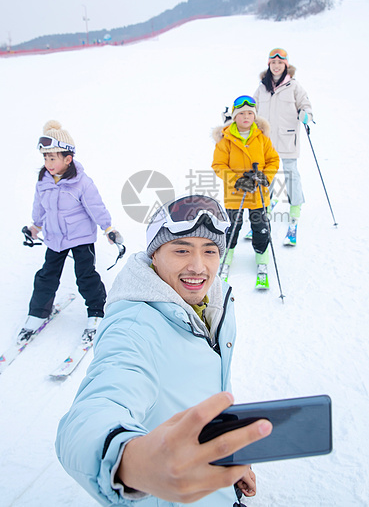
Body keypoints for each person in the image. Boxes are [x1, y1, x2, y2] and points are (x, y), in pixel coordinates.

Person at [55, 194, 272, 506]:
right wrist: (133, 463)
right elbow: (93, 413)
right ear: (154, 254)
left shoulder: (211, 301)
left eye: (210, 251)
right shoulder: (134, 327)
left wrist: (226, 456)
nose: (198, 267)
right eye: (181, 250)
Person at [17, 120, 123, 345]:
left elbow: (96, 206)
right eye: (45, 158)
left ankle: (97, 311)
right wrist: (35, 225)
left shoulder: (81, 183)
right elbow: (40, 205)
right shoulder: (43, 181)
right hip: (55, 238)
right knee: (46, 276)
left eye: (52, 158)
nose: (48, 163)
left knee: (85, 276)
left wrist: (108, 228)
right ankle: (38, 313)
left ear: (68, 158)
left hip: (80, 238)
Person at [212, 96, 280, 288]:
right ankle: (226, 258)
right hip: (235, 194)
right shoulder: (226, 140)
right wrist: (237, 180)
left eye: (250, 113)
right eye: (241, 113)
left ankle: (262, 259)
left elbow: (273, 160)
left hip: (259, 193)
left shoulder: (262, 138)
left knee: (261, 227)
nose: (246, 117)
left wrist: (265, 176)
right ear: (234, 116)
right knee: (232, 226)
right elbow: (218, 165)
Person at [253, 48, 313, 246]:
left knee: (290, 173)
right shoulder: (262, 87)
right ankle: (266, 204)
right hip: (266, 141)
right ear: (269, 65)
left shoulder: (294, 86)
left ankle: (295, 207)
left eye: (280, 63)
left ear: (286, 65)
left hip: (287, 139)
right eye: (273, 63)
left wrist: (305, 115)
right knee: (264, 174)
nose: (276, 66)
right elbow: (251, 108)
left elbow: (306, 105)